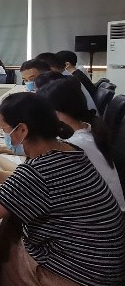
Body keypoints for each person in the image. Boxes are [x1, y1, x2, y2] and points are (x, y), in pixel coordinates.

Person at [0, 93, 125, 286]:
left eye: (5, 129)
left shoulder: (38, 172)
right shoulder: (69, 151)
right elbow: (24, 181)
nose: (5, 135)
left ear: (22, 130)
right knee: (6, 231)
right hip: (102, 273)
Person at [37, 77, 125, 210]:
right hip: (109, 211)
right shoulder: (88, 129)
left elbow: (36, 181)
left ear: (54, 112)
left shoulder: (74, 144)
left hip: (101, 215)